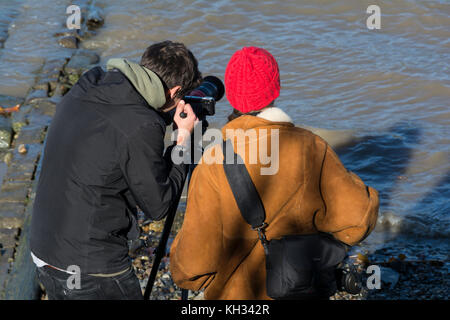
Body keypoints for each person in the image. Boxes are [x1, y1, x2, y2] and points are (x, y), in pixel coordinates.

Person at [169, 46, 379, 300]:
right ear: (275, 89)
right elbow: (358, 222)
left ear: (231, 97)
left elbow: (191, 268)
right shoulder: (311, 146)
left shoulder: (212, 162)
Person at [29, 40, 201, 300]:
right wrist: (183, 139)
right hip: (88, 267)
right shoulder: (142, 124)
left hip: (44, 247)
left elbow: (108, 155)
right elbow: (159, 205)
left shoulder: (92, 81)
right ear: (175, 91)